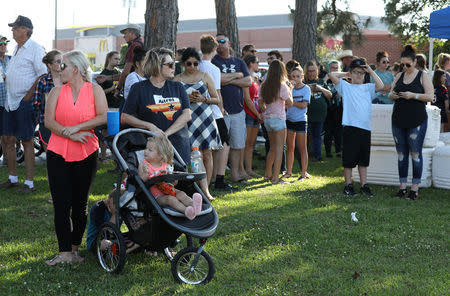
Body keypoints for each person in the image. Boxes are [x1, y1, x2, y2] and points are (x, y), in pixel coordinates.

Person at [44, 50, 108, 265]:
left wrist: (77, 128)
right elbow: (49, 122)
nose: (59, 69)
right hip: (57, 151)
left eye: (63, 65)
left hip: (86, 150)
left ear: (76, 69)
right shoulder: (55, 92)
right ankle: (63, 253)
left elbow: (102, 116)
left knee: (80, 204)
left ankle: (74, 250)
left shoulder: (95, 90)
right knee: (61, 203)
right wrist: (68, 132)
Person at [0, 16, 47, 193]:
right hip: (10, 101)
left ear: (25, 30)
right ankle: (12, 178)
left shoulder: (35, 48)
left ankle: (29, 183)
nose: (12, 30)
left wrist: (28, 96)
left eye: (15, 27)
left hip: (24, 102)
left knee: (27, 140)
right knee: (7, 139)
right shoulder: (17, 48)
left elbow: (42, 74)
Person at [121, 47, 191, 164]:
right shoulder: (138, 88)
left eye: (174, 63)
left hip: (177, 145)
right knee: (152, 179)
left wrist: (165, 135)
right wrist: (149, 126)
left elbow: (187, 115)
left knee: (177, 181)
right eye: (170, 64)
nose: (174, 67)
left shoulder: (178, 87)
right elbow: (125, 117)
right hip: (151, 148)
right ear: (156, 65)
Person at [328, 58, 384, 197]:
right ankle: (348, 185)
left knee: (363, 160)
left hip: (365, 128)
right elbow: (332, 75)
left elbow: (381, 86)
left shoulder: (368, 88)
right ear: (351, 73)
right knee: (348, 160)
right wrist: (346, 74)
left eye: (361, 73)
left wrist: (370, 70)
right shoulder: (345, 86)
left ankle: (364, 185)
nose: (359, 75)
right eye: (356, 72)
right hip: (350, 127)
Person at [174, 47, 221, 201]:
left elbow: (217, 99)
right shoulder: (177, 80)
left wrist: (203, 99)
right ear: (183, 63)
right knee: (193, 155)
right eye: (189, 64)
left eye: (195, 64)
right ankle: (197, 188)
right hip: (188, 119)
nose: (193, 67)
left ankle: (205, 189)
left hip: (205, 118)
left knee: (207, 153)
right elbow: (173, 103)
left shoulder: (205, 76)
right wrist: (186, 98)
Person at [388, 45, 434, 200]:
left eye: (408, 64)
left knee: (415, 153)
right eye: (403, 64)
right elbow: (390, 94)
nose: (405, 67)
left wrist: (412, 95)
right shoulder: (399, 75)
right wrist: (393, 96)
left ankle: (414, 189)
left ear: (415, 62)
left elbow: (430, 96)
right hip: (398, 120)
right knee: (401, 154)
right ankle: (402, 188)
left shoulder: (422, 75)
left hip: (417, 121)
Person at [212, 34, 252, 183]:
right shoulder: (214, 61)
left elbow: (248, 81)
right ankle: (216, 176)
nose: (219, 44)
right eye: (217, 42)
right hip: (221, 111)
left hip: (238, 110)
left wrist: (227, 80)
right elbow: (217, 80)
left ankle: (235, 174)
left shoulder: (239, 61)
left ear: (228, 43)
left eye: (222, 41)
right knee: (220, 145)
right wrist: (236, 76)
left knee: (237, 144)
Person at [198, 35, 234, 191]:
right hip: (213, 110)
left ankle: (206, 179)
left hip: (199, 111)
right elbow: (217, 92)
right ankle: (219, 178)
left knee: (204, 148)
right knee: (224, 144)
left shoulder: (196, 65)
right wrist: (221, 108)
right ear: (214, 49)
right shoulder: (214, 69)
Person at [138, 135, 203, 220]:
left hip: (170, 190)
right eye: (146, 148)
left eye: (150, 150)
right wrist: (146, 174)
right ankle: (187, 211)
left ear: (161, 155)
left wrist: (174, 180)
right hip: (157, 197)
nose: (146, 151)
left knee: (181, 194)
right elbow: (140, 181)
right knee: (171, 199)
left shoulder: (166, 166)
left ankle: (195, 206)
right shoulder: (144, 164)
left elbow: (174, 183)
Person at [259, 60, 293, 184]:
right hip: (279, 119)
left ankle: (267, 174)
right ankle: (275, 178)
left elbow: (260, 103)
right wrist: (290, 90)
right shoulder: (282, 85)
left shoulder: (263, 85)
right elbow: (290, 103)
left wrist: (266, 110)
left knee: (272, 148)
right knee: (279, 149)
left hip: (267, 119)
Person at [96, 24, 143, 94]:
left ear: (132, 33)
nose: (123, 36)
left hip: (133, 87)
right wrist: (106, 78)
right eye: (115, 59)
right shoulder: (140, 44)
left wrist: (118, 89)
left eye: (125, 33)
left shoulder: (134, 46)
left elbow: (126, 72)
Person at [32, 50, 63, 151]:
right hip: (47, 122)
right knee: (51, 154)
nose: (61, 64)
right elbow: (36, 103)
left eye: (62, 61)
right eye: (58, 61)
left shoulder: (68, 79)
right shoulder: (43, 81)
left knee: (65, 155)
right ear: (49, 65)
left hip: (66, 122)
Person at [285, 65, 310, 181]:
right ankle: (289, 172)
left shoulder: (306, 89)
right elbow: (285, 103)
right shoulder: (289, 88)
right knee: (290, 147)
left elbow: (303, 105)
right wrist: (289, 91)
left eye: (298, 76)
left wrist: (291, 102)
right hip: (289, 119)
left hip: (300, 120)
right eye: (293, 76)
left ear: (302, 76)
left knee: (302, 147)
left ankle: (303, 173)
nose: (295, 79)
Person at [304, 60, 332, 162]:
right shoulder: (303, 82)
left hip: (320, 115)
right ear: (306, 72)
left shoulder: (320, 82)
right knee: (305, 137)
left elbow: (330, 95)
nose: (311, 73)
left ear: (317, 71)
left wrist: (320, 89)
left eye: (313, 71)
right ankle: (303, 156)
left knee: (317, 136)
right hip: (307, 115)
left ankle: (318, 156)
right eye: (309, 71)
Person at [242, 54, 263, 177]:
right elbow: (247, 99)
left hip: (256, 114)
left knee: (251, 144)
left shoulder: (255, 78)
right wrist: (257, 113)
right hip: (249, 113)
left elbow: (257, 98)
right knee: (246, 144)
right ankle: (244, 169)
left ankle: (249, 169)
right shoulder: (246, 78)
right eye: (257, 62)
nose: (258, 65)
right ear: (251, 63)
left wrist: (261, 112)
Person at [323, 60, 343, 158]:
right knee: (328, 131)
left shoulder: (343, 80)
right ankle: (328, 151)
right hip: (328, 108)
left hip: (339, 108)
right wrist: (326, 78)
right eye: (333, 68)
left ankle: (338, 150)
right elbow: (322, 86)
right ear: (329, 69)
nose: (335, 70)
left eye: (337, 68)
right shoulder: (326, 79)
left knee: (338, 130)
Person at [0, 35, 11, 157]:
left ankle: (7, 158)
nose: (3, 46)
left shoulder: (10, 59)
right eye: (0, 44)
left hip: (8, 102)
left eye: (5, 43)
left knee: (6, 134)